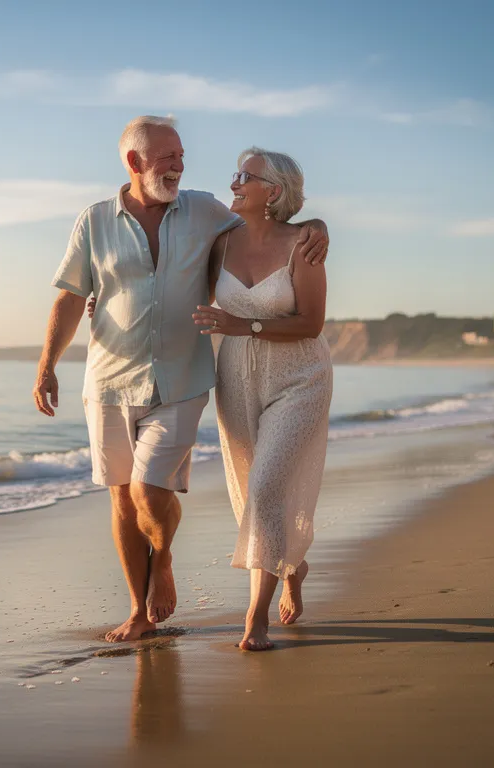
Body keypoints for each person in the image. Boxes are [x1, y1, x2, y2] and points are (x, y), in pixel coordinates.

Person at [33, 116, 328, 643]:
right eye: (168, 157)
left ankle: (168, 560)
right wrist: (46, 365)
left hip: (184, 378)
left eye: (181, 155)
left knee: (153, 491)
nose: (180, 165)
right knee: (122, 498)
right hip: (109, 378)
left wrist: (318, 227)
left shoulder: (206, 212)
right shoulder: (95, 221)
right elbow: (71, 296)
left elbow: (275, 227)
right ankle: (139, 613)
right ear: (134, 162)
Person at [192, 147, 334, 651]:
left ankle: (255, 618)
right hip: (236, 382)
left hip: (301, 379)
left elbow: (310, 323)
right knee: (252, 493)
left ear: (272, 191)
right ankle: (289, 564)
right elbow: (178, 289)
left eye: (244, 176)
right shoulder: (219, 243)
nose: (233, 183)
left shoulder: (304, 244)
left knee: (268, 487)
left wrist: (240, 324)